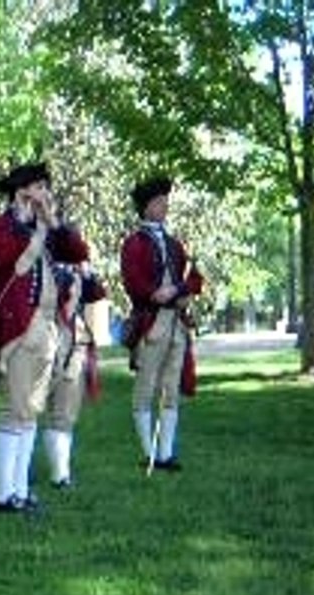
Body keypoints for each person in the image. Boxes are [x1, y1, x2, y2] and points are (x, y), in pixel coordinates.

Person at [0, 162, 90, 512]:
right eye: (40, 187)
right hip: (18, 327)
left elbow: (76, 251)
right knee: (14, 408)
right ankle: (3, 492)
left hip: (45, 326)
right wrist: (32, 228)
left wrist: (50, 221)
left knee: (31, 410)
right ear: (22, 191)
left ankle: (20, 488)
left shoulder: (44, 226)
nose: (46, 193)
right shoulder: (3, 226)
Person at [120, 176, 204, 471]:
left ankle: (166, 453)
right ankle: (149, 452)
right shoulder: (133, 244)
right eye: (158, 202)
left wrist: (179, 291)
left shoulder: (174, 244)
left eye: (165, 201)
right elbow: (134, 282)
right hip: (151, 324)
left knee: (171, 390)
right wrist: (157, 294)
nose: (164, 206)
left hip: (176, 325)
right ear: (145, 208)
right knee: (145, 390)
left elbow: (195, 278)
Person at [41, 261, 106, 488]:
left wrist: (85, 271)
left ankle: (60, 473)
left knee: (66, 412)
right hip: (50, 335)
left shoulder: (74, 268)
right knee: (26, 413)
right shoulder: (48, 264)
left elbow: (97, 292)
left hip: (74, 340)